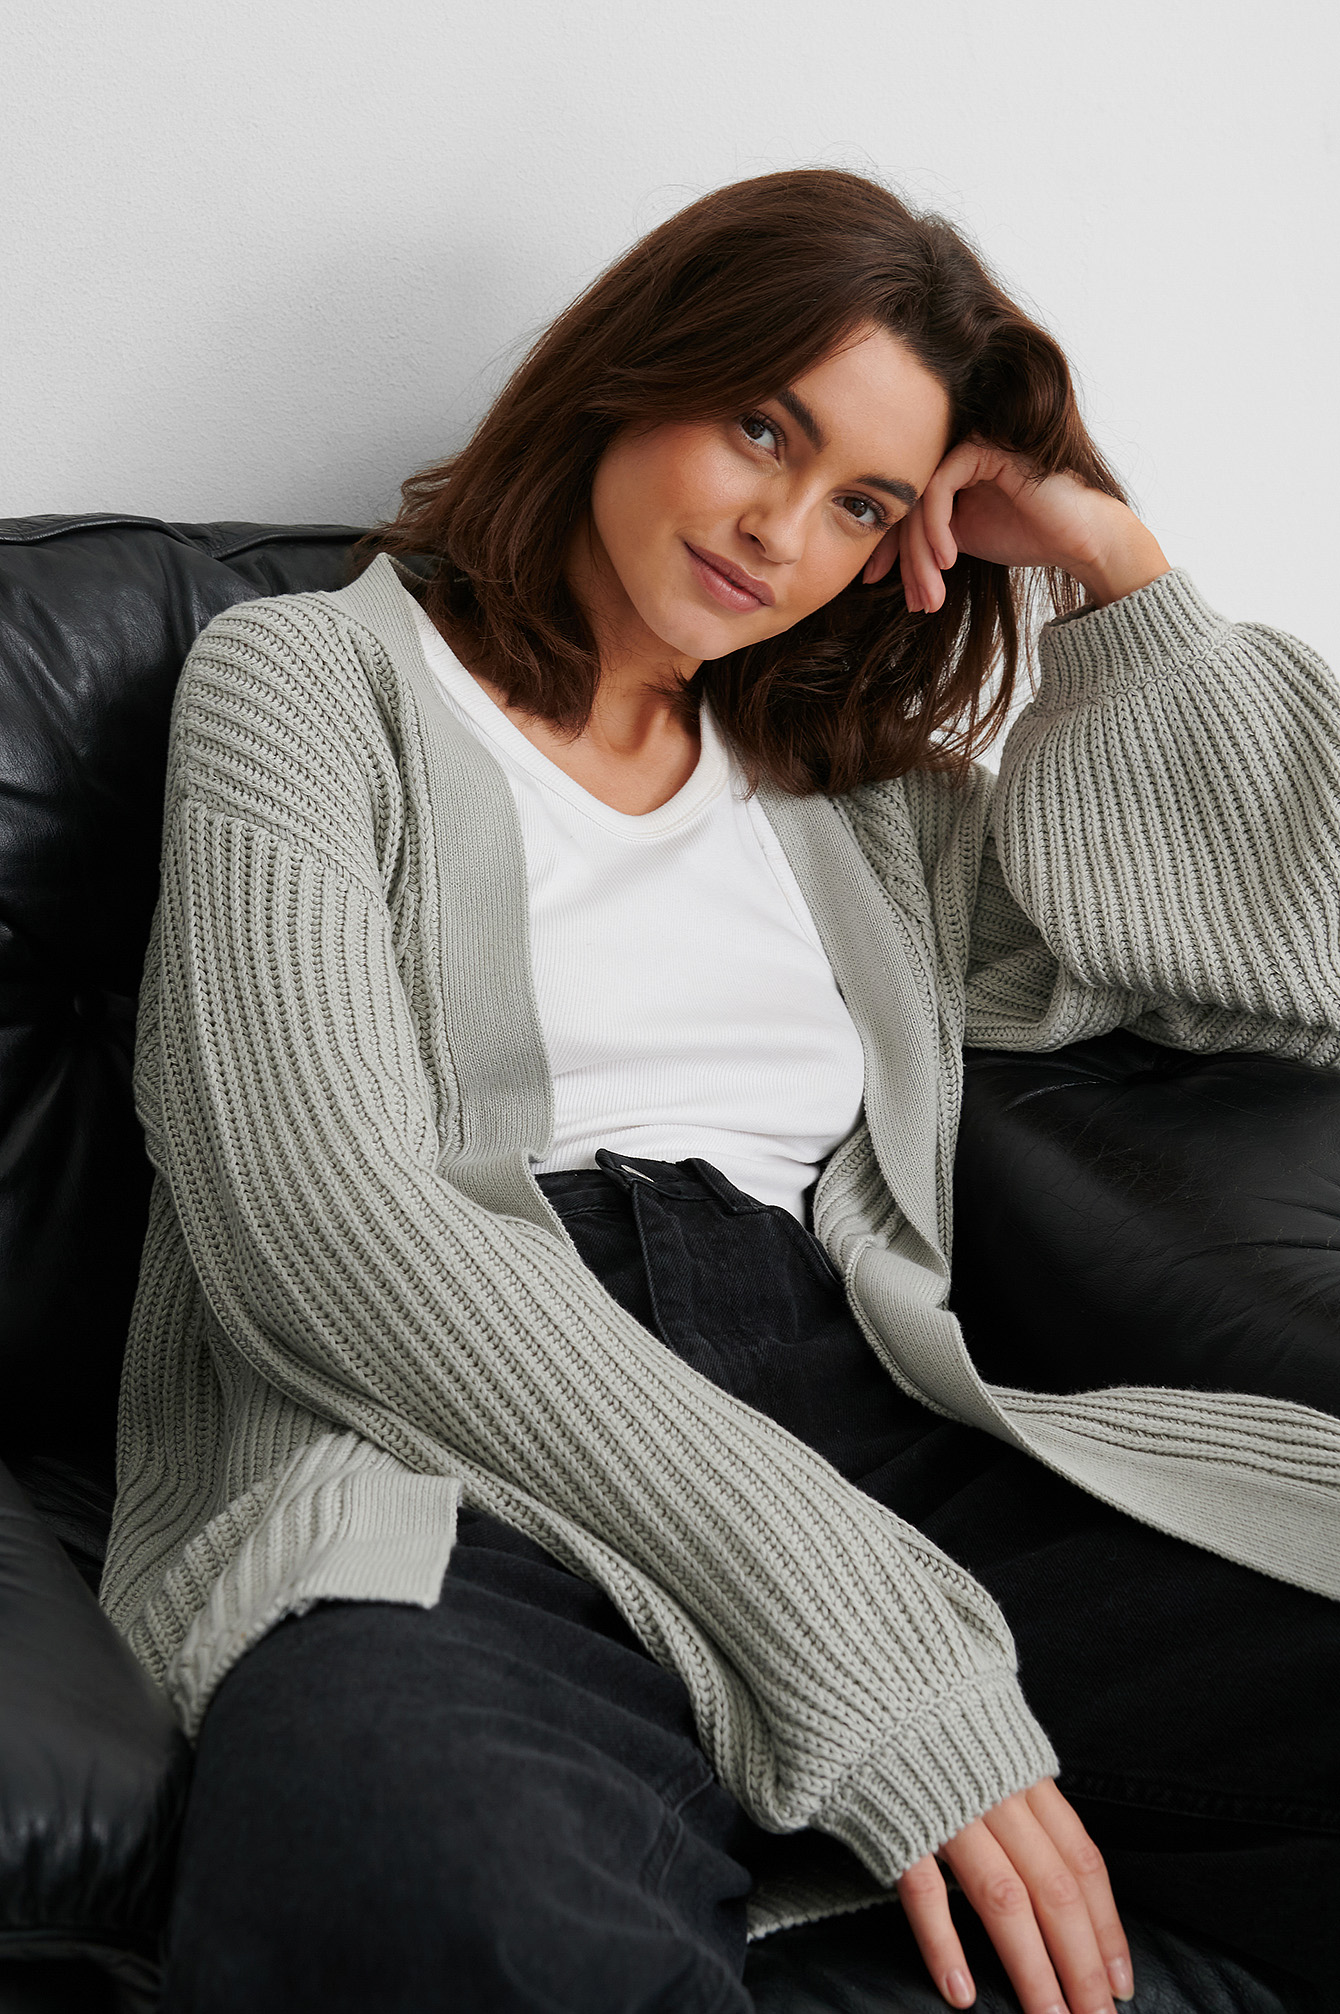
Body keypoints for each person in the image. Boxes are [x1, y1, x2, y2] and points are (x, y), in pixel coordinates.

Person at [102, 168, 1340, 2014]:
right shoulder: (306, 683)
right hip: (430, 1439)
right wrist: (866, 1647)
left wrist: (1113, 565)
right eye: (764, 425)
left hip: (859, 1412)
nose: (782, 527)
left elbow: (1293, 956)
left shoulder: (869, 795)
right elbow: (327, 1220)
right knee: (437, 1894)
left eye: (864, 502)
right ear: (634, 368)